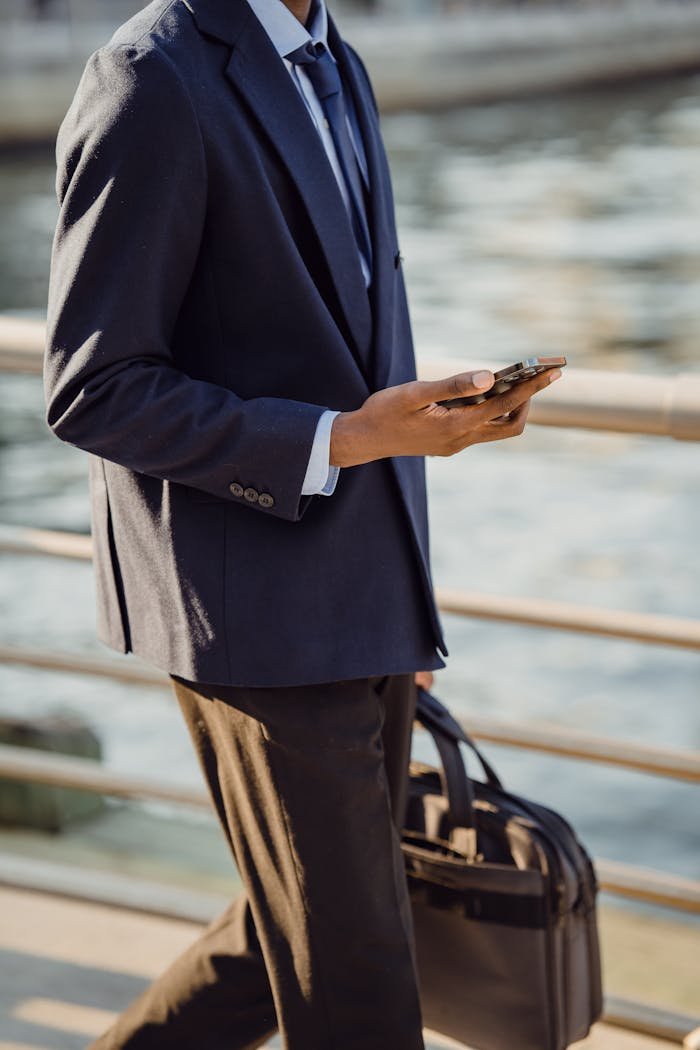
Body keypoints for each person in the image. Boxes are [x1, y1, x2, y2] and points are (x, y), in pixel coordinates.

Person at [44, 0, 561, 1046]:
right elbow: (97, 391)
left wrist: (404, 592)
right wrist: (338, 440)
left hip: (362, 595)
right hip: (253, 621)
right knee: (359, 983)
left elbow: (355, 362)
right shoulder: (151, 76)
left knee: (285, 938)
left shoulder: (335, 59)